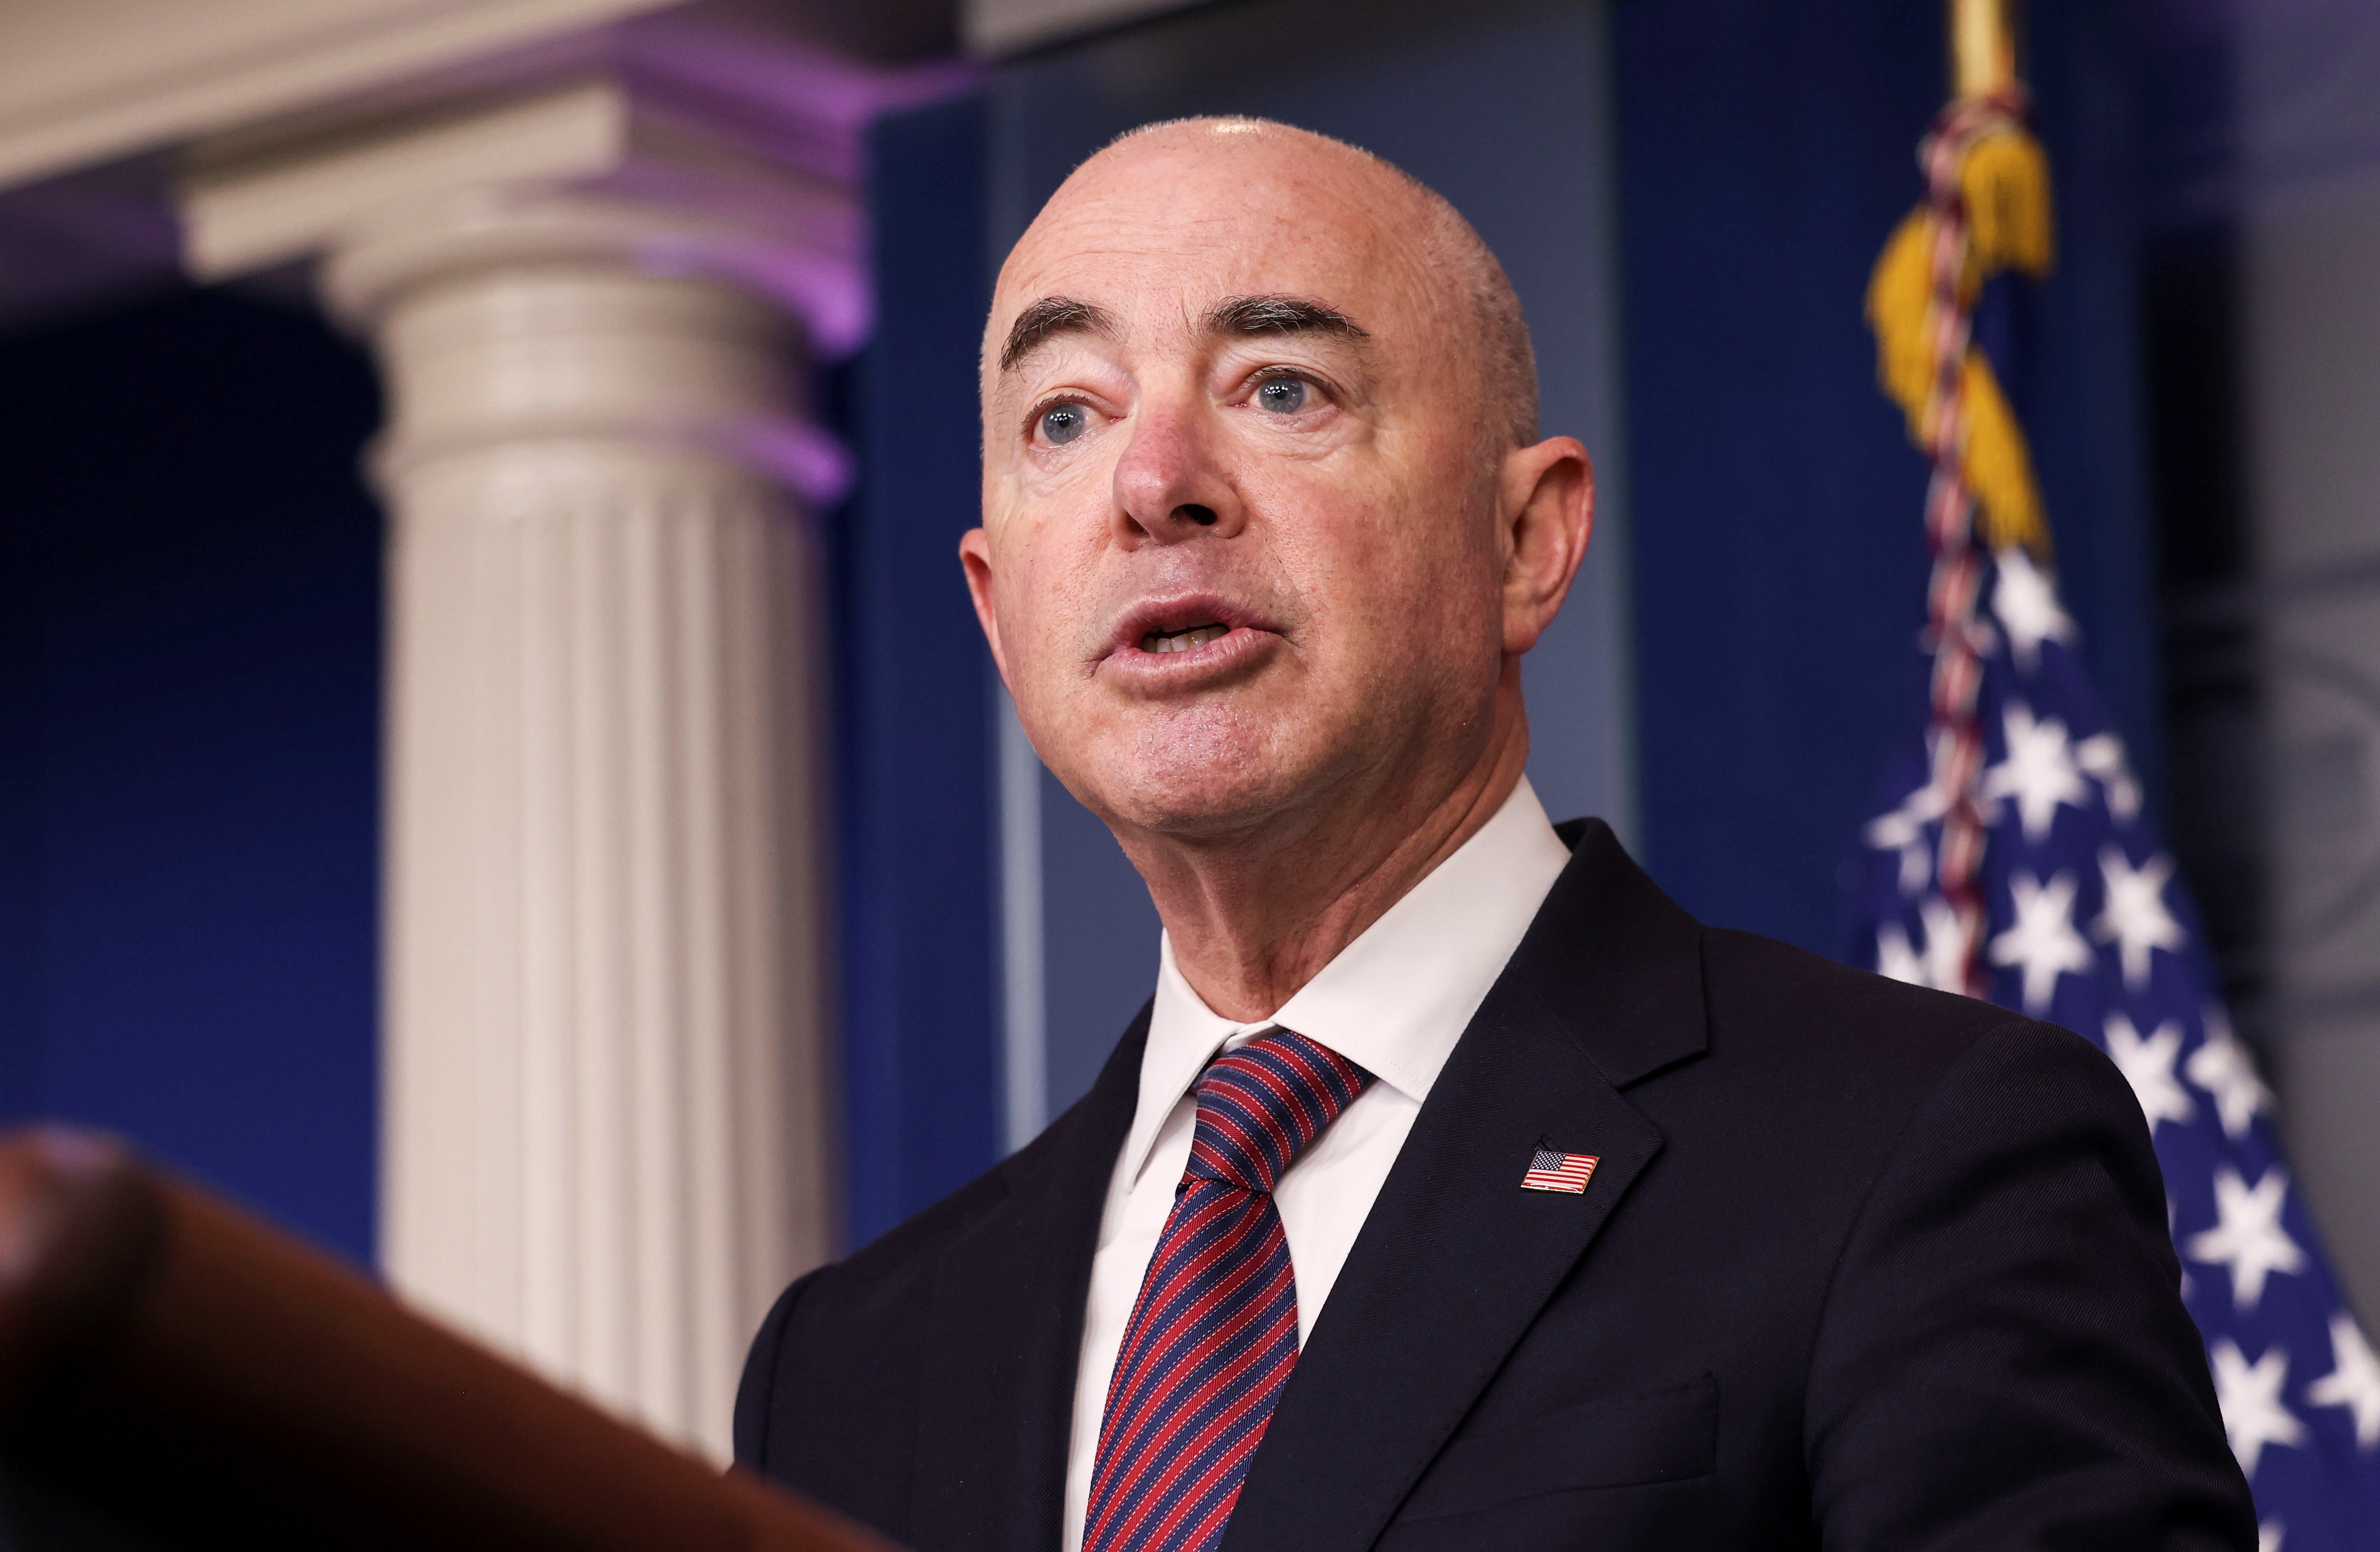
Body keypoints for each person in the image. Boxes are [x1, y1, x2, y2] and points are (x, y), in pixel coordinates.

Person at [735, 117, 2255, 1551]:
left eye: (1280, 389)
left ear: (1526, 542)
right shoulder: (847, 1371)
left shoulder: (1915, 1152)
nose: (1153, 484)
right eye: (1066, 414)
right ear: (1000, 612)